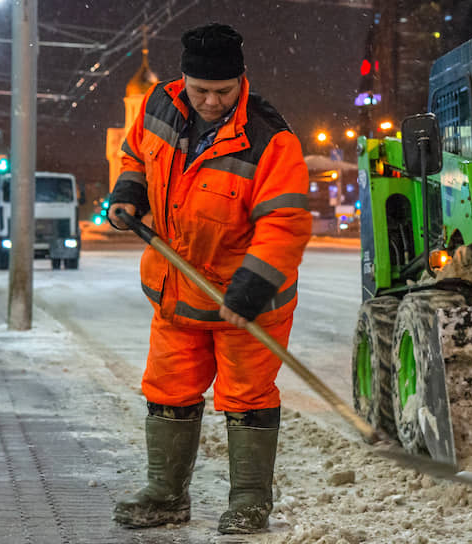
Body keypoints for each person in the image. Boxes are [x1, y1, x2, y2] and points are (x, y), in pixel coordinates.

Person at [107, 22, 311, 534]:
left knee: (246, 397)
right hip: (177, 289)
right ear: (183, 80)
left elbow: (285, 223)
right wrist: (128, 195)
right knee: (168, 390)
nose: (213, 101)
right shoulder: (159, 106)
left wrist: (253, 284)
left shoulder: (271, 139)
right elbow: (134, 155)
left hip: (246, 299)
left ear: (241, 81)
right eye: (202, 91)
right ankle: (165, 495)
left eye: (224, 91)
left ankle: (248, 502)